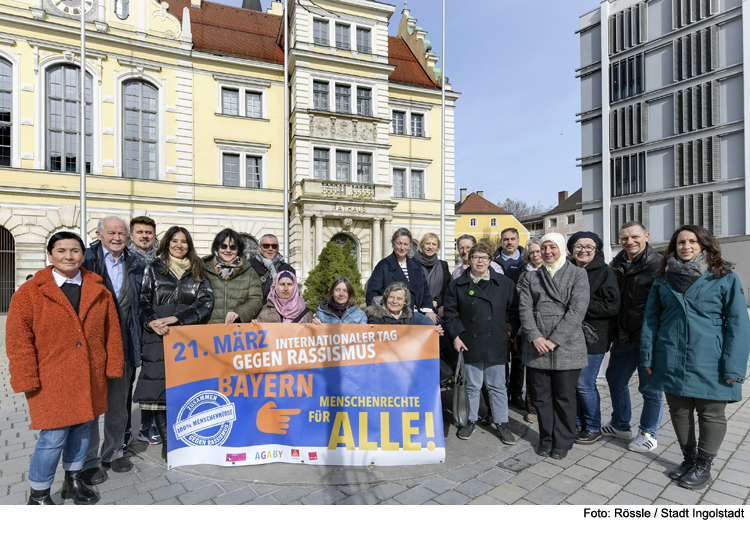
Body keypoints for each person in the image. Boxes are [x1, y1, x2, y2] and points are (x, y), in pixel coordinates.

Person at [6, 232, 124, 505]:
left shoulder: (98, 289)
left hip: (89, 375)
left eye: (74, 251)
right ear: (50, 255)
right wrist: (25, 377)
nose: (68, 256)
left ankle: (73, 481)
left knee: (83, 431)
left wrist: (113, 366)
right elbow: (17, 340)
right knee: (53, 437)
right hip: (51, 378)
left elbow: (112, 332)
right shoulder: (30, 292)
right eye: (61, 251)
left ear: (83, 255)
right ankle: (39, 494)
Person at [641, 225, 750, 490]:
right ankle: (689, 460)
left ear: (704, 245)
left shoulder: (723, 277)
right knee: (679, 410)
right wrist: (648, 356)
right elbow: (651, 319)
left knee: (710, 413)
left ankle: (704, 466)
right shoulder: (663, 278)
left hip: (709, 357)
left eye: (692, 241)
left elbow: (738, 324)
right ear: (673, 247)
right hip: (669, 355)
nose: (686, 246)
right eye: (680, 242)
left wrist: (734, 366)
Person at [134, 226, 214, 461]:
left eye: (184, 241)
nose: (179, 245)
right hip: (159, 335)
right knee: (160, 392)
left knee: (186, 389)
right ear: (167, 243)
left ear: (189, 245)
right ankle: (168, 441)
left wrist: (178, 317)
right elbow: (144, 301)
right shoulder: (154, 267)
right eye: (175, 241)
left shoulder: (199, 269)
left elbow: (206, 302)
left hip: (188, 336)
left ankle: (186, 435)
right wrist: (152, 322)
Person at [80, 216, 144, 485]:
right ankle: (89, 459)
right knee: (92, 403)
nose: (117, 237)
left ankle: (114, 450)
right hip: (92, 344)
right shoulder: (85, 260)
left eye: (121, 233)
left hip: (125, 341)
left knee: (119, 404)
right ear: (99, 234)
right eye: (111, 232)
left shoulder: (138, 263)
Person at [518, 233, 590, 460]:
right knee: (541, 397)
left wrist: (553, 339)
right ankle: (545, 438)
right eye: (544, 248)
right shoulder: (531, 277)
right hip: (536, 344)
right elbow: (525, 310)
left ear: (562, 249)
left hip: (567, 344)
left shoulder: (578, 274)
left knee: (565, 397)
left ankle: (563, 441)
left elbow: (577, 311)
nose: (547, 252)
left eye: (553, 247)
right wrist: (535, 337)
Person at [444, 243, 520, 444]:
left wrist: (509, 330)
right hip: (469, 341)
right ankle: (469, 420)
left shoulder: (505, 284)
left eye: (484, 258)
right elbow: (451, 314)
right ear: (468, 259)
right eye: (476, 257)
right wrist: (456, 336)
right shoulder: (457, 285)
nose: (480, 261)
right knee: (472, 386)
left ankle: (502, 423)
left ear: (490, 261)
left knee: (497, 386)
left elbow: (514, 311)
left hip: (497, 341)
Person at [605, 221, 664, 453]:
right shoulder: (616, 264)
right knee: (615, 379)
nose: (629, 241)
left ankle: (649, 433)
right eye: (624, 238)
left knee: (649, 388)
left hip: (648, 337)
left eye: (634, 236)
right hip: (623, 336)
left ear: (646, 236)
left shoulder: (659, 265)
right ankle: (620, 424)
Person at [567, 232, 620, 445]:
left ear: (596, 250)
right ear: (571, 250)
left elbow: (612, 305)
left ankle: (593, 426)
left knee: (585, 383)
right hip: (570, 337)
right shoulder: (568, 271)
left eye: (589, 246)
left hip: (593, 336)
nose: (583, 250)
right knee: (574, 383)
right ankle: (579, 423)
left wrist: (579, 305)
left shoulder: (605, 272)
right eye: (578, 246)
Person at [127, 215, 161, 448]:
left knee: (151, 379)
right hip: (129, 327)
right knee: (127, 381)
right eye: (140, 232)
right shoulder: (124, 260)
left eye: (148, 232)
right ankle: (124, 430)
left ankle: (147, 426)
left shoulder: (160, 262)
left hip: (152, 326)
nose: (145, 236)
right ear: (132, 235)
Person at [366, 228, 437, 326]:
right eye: (399, 243)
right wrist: (381, 313)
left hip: (418, 310)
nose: (402, 247)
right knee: (429, 325)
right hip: (394, 314)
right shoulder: (383, 265)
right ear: (393, 244)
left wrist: (428, 309)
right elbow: (372, 293)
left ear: (409, 246)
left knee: (440, 324)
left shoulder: (415, 264)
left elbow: (425, 290)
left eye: (406, 244)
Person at [491, 229, 528, 410]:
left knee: (519, 358)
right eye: (505, 239)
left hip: (522, 314)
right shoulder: (493, 262)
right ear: (501, 241)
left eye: (513, 239)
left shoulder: (525, 262)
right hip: (500, 315)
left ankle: (516, 393)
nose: (509, 242)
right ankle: (502, 393)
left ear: (518, 240)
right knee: (502, 357)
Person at [204, 228, 263, 325]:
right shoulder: (204, 269)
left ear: (238, 250)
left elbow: (256, 299)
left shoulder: (249, 272)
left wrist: (239, 313)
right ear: (217, 248)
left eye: (232, 247)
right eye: (223, 246)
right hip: (210, 329)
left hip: (236, 331)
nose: (228, 250)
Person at [516, 240, 543, 424]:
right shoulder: (524, 274)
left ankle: (548, 407)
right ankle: (532, 408)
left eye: (538, 251)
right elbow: (519, 297)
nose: (535, 255)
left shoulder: (556, 270)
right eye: (531, 252)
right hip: (529, 325)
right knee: (532, 370)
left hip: (550, 325)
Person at [365, 282, 444, 335]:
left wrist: (433, 334)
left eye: (399, 299)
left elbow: (418, 336)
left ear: (405, 301)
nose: (394, 301)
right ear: (386, 298)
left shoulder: (408, 318)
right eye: (391, 297)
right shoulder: (376, 317)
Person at [249, 233, 295, 304]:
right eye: (266, 246)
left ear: (278, 248)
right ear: (260, 247)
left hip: (279, 311)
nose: (270, 249)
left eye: (274, 246)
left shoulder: (288, 269)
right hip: (256, 311)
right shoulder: (250, 266)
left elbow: (294, 295)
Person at [413, 233, 451, 318]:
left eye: (434, 244)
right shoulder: (411, 264)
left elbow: (448, 288)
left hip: (437, 308)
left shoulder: (443, 265)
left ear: (437, 247)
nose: (430, 247)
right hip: (416, 309)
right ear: (422, 245)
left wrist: (437, 301)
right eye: (427, 243)